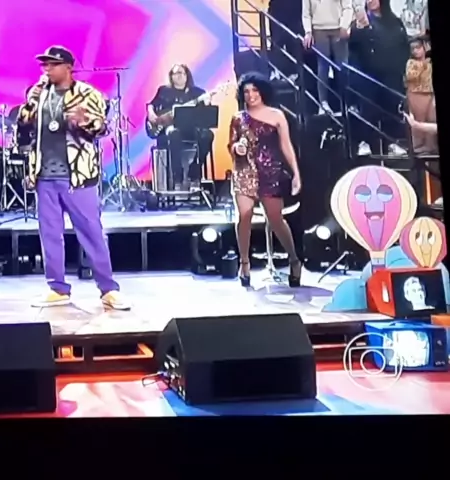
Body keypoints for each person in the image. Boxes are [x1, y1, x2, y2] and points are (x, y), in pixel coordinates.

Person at [17, 46, 129, 310]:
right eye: (44, 65)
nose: (47, 70)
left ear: (68, 67)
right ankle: (57, 288)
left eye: (52, 65)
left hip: (77, 176)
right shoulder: (38, 94)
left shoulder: (88, 94)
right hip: (45, 175)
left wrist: (84, 121)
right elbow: (23, 125)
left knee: (91, 233)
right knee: (50, 235)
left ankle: (108, 289)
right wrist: (30, 103)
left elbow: (102, 129)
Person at [229, 73, 303, 287]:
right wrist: (237, 148)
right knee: (244, 215)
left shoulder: (277, 115)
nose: (250, 95)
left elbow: (286, 146)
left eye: (254, 90)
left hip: (270, 172)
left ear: (262, 91)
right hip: (244, 171)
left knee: (275, 219)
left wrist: (296, 173)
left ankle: (294, 260)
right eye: (246, 91)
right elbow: (231, 145)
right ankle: (244, 263)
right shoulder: (238, 118)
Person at [349, 0, 410, 155]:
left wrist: (401, 68)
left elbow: (403, 46)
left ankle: (392, 143)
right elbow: (354, 47)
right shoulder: (361, 22)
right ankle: (365, 142)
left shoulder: (395, 22)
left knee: (392, 108)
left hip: (391, 75)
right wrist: (360, 29)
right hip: (368, 75)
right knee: (368, 109)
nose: (370, 1)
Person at [146, 64, 214, 190]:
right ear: (171, 76)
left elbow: (205, 115)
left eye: (181, 73)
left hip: (191, 130)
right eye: (176, 73)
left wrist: (207, 103)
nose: (179, 76)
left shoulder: (197, 92)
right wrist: (151, 113)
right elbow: (151, 104)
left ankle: (195, 171)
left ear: (187, 75)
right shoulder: (164, 91)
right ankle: (177, 176)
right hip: (171, 131)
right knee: (173, 133)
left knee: (208, 135)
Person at [302, 0, 354, 114]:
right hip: (319, 29)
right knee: (323, 66)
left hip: (338, 28)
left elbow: (347, 7)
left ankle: (346, 103)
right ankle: (323, 103)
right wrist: (308, 32)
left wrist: (345, 25)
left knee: (342, 67)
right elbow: (306, 12)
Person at [404, 37, 436, 154]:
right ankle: (418, 146)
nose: (415, 51)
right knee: (418, 120)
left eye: (418, 48)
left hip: (430, 94)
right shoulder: (411, 63)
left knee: (431, 120)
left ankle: (430, 145)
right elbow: (411, 76)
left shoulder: (429, 62)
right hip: (416, 94)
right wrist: (423, 64)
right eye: (413, 49)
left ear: (424, 48)